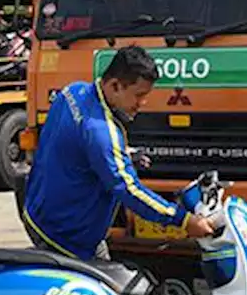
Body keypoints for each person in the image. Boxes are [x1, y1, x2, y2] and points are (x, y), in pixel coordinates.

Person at [22, 45, 215, 261]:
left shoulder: (72, 92)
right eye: (138, 95)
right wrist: (184, 220)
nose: (142, 104)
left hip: (38, 213)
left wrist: (122, 155)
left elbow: (70, 145)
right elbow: (128, 189)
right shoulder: (100, 130)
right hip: (66, 237)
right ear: (115, 85)